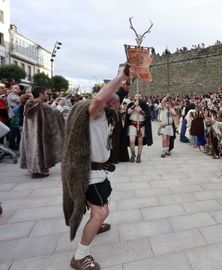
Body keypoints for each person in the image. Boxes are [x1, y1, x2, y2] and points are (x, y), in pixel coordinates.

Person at [62, 65, 131, 270]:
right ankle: (80, 256)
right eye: (117, 104)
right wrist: (120, 75)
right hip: (89, 173)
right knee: (101, 211)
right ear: (108, 104)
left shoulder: (105, 113)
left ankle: (96, 224)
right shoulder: (95, 113)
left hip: (99, 170)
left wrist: (127, 80)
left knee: (101, 203)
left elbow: (116, 94)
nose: (119, 108)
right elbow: (101, 99)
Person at [20, 87, 64, 178]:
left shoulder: (29, 103)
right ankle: (38, 171)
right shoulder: (41, 106)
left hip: (31, 134)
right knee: (39, 150)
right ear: (40, 94)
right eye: (46, 93)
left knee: (33, 149)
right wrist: (60, 105)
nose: (47, 95)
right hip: (39, 133)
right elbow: (56, 114)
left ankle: (35, 168)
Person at [125, 94, 153, 163]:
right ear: (134, 97)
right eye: (136, 96)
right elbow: (128, 112)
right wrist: (134, 105)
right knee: (132, 141)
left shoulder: (144, 105)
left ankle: (139, 156)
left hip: (141, 125)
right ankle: (133, 154)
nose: (138, 98)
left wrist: (140, 111)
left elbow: (147, 115)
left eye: (139, 96)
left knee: (140, 142)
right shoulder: (131, 104)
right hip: (132, 125)